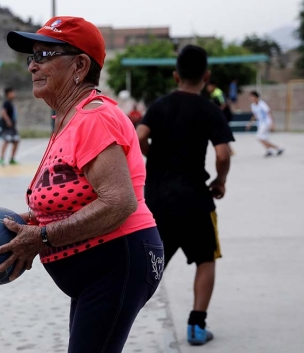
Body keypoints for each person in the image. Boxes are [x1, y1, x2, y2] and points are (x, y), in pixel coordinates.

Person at [0, 16, 163, 353]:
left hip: (118, 262)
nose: (32, 68)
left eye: (44, 56)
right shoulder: (69, 118)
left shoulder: (94, 117)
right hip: (100, 270)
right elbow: (77, 195)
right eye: (31, 58)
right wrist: (34, 221)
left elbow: (118, 202)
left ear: (80, 65)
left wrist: (40, 237)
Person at [136, 45, 234, 346]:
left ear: (176, 75)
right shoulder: (210, 110)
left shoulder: (160, 105)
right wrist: (220, 180)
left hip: (157, 201)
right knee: (206, 260)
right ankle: (196, 326)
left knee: (152, 262)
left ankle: (123, 316)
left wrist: (155, 157)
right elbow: (222, 152)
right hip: (195, 200)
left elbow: (139, 136)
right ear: (206, 76)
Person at [246, 91, 284, 157]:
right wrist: (250, 123)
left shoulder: (262, 104)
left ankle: (277, 148)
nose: (251, 98)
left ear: (256, 97)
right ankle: (270, 150)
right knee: (264, 138)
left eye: (252, 96)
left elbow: (269, 113)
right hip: (260, 123)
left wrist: (272, 124)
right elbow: (255, 115)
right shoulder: (252, 105)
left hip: (266, 122)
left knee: (259, 137)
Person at [0, 87, 20, 165]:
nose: (13, 94)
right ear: (8, 94)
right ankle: (1, 158)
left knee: (16, 141)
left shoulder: (11, 103)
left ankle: (12, 158)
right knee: (6, 141)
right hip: (7, 127)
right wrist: (8, 121)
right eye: (12, 93)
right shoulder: (6, 102)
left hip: (13, 127)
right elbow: (3, 112)